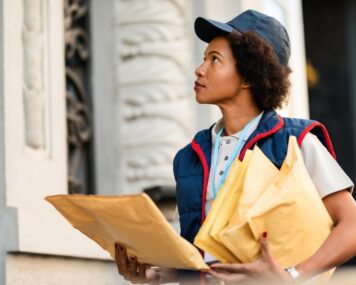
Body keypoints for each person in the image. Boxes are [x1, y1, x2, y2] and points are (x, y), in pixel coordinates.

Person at [114, 9, 356, 284]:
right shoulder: (189, 158)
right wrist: (155, 274)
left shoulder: (297, 141)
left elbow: (352, 226)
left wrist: (292, 275)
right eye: (204, 57)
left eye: (214, 59)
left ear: (249, 76)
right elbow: (202, 259)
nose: (200, 69)